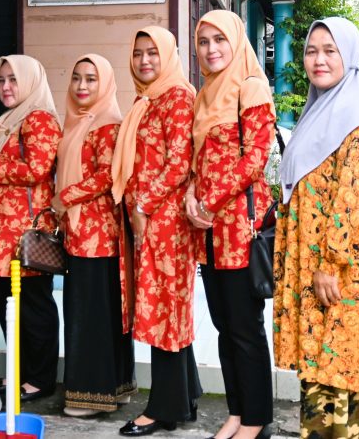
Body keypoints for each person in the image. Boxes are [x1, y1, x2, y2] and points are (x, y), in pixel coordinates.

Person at [274, 18, 359, 438]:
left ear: (349, 57)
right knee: (323, 370)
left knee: (347, 369)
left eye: (330, 50)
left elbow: (356, 199)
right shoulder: (319, 112)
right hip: (317, 266)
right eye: (312, 50)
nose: (319, 59)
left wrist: (330, 261)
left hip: (344, 274)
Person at [184, 11, 275, 439]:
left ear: (237, 41)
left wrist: (208, 199)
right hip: (208, 231)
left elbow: (255, 158)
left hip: (239, 227)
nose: (212, 48)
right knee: (223, 327)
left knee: (244, 327)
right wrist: (190, 197)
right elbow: (197, 163)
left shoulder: (251, 86)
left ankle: (256, 419)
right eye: (204, 41)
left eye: (221, 39)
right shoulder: (205, 96)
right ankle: (237, 413)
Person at [111, 27, 202, 437]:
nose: (145, 60)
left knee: (164, 311)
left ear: (169, 56)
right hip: (150, 218)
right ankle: (186, 395)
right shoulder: (146, 99)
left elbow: (180, 162)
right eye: (138, 53)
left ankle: (163, 409)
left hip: (165, 221)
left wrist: (143, 205)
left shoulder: (177, 97)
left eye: (153, 53)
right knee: (168, 309)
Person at [0, 55, 63, 401]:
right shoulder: (10, 120)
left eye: (13, 80)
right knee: (8, 304)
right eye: (1, 79)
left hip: (25, 232)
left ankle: (40, 378)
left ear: (31, 82)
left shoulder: (40, 119)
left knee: (33, 306)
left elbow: (37, 169)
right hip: (0, 230)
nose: (5, 86)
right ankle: (19, 372)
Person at [54, 54, 136, 416]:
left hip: (97, 235)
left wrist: (65, 197)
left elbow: (108, 175)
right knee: (95, 313)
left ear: (104, 84)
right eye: (76, 78)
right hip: (78, 232)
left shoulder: (107, 124)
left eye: (91, 79)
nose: (82, 86)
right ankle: (112, 388)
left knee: (90, 317)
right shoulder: (76, 122)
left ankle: (93, 396)